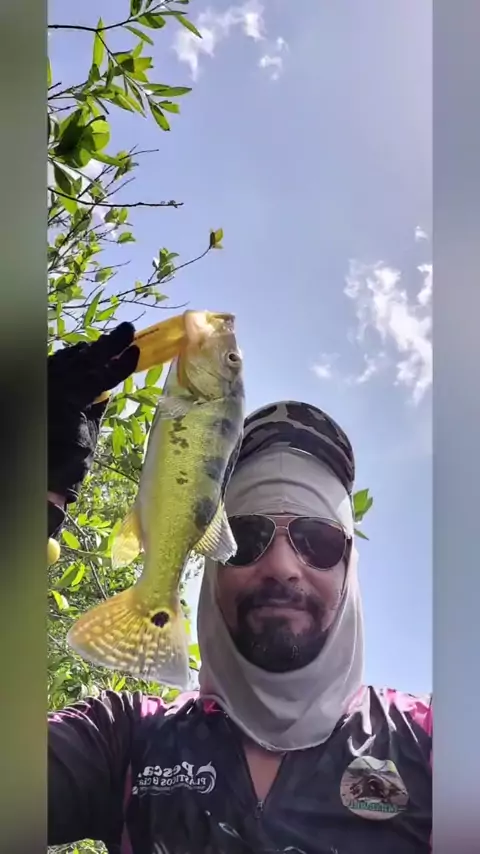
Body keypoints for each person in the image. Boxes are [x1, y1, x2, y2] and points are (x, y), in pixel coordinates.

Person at [48, 325, 432, 854]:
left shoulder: (433, 745)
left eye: (317, 541)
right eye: (247, 538)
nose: (282, 566)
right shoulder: (123, 739)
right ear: (211, 559)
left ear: (350, 567)